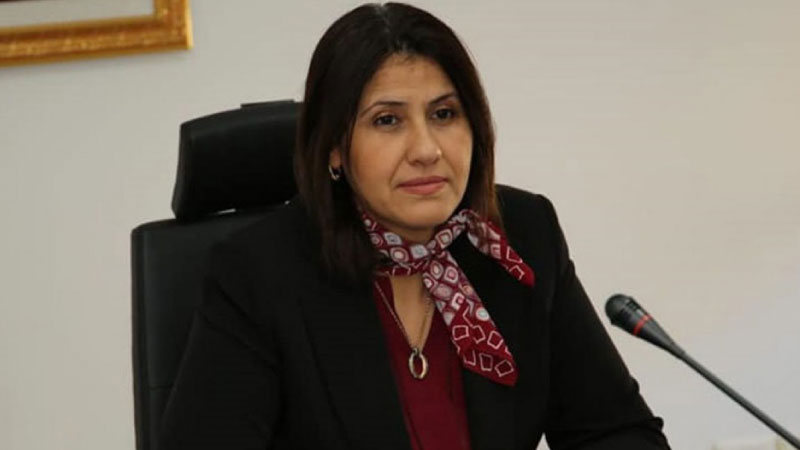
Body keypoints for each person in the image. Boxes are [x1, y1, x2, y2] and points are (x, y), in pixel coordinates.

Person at [158, 3, 671, 449]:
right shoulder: (258, 274)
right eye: (388, 120)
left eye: (444, 114)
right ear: (334, 147)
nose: (426, 149)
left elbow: (616, 431)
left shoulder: (521, 236)